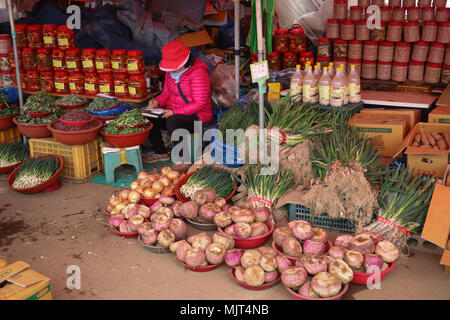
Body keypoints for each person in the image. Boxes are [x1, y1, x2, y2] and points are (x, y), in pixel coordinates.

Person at [144, 40, 213, 163]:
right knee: (148, 117)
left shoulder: (198, 73)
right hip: (174, 113)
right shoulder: (170, 73)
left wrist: (174, 112)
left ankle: (184, 160)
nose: (172, 70)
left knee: (172, 122)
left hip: (197, 118)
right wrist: (156, 102)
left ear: (185, 61)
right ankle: (160, 152)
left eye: (174, 66)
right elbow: (166, 93)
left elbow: (199, 103)